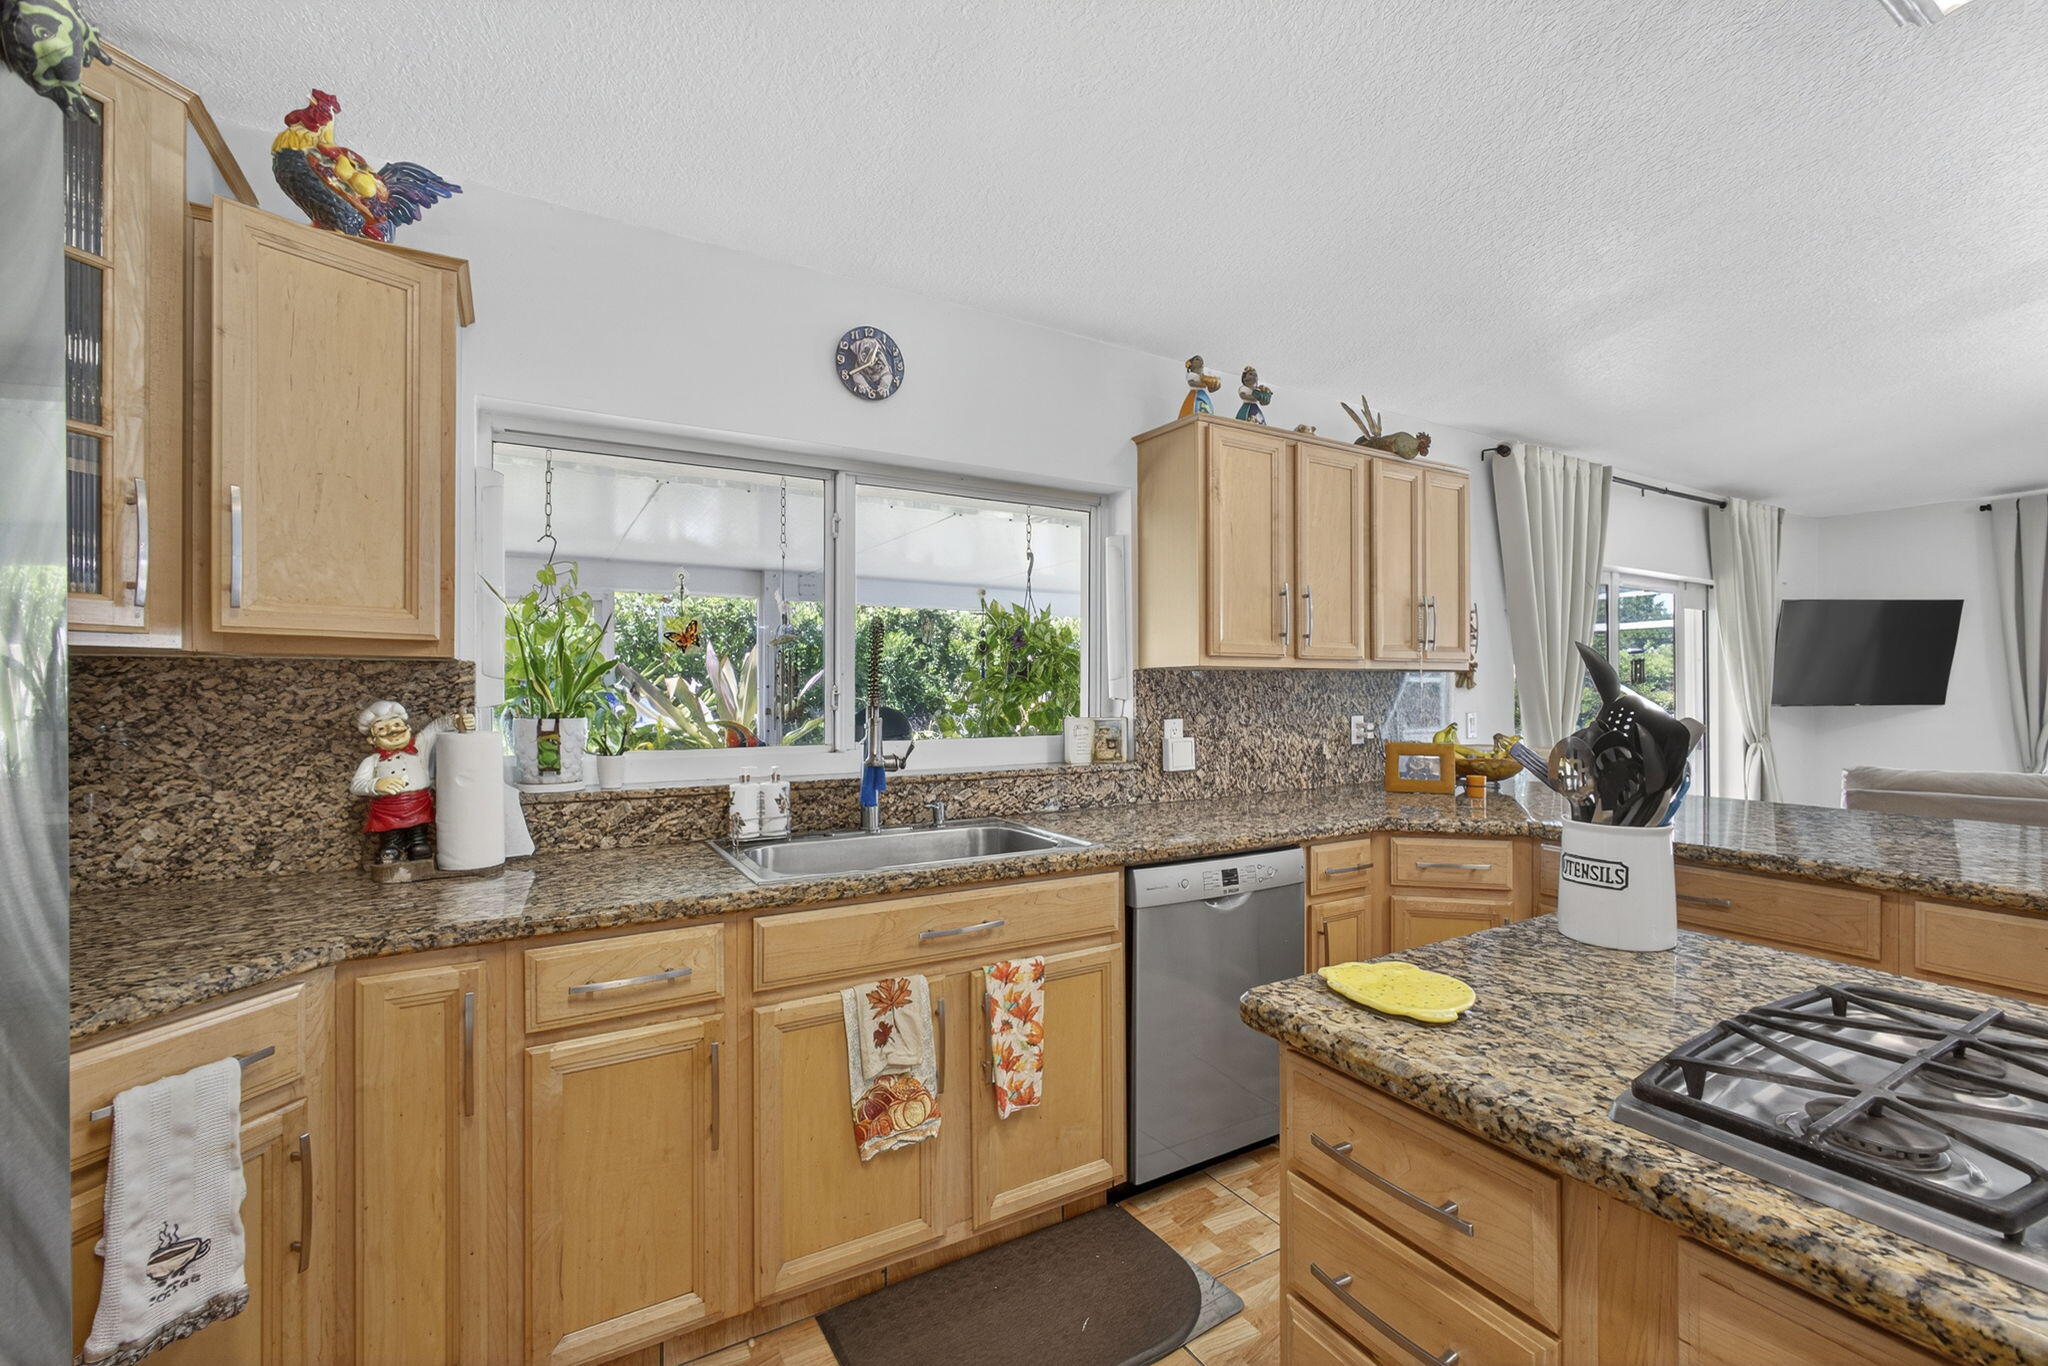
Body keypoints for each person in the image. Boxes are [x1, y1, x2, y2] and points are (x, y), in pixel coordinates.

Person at [350, 700, 474, 864]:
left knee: (419, 832)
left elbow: (436, 727)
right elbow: (356, 785)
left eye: (396, 724)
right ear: (372, 740)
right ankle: (391, 846)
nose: (392, 731)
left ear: (408, 728)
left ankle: (418, 844)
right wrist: (375, 785)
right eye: (381, 728)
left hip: (418, 803)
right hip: (388, 807)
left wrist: (456, 721)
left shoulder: (420, 745)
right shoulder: (372, 761)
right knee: (390, 833)